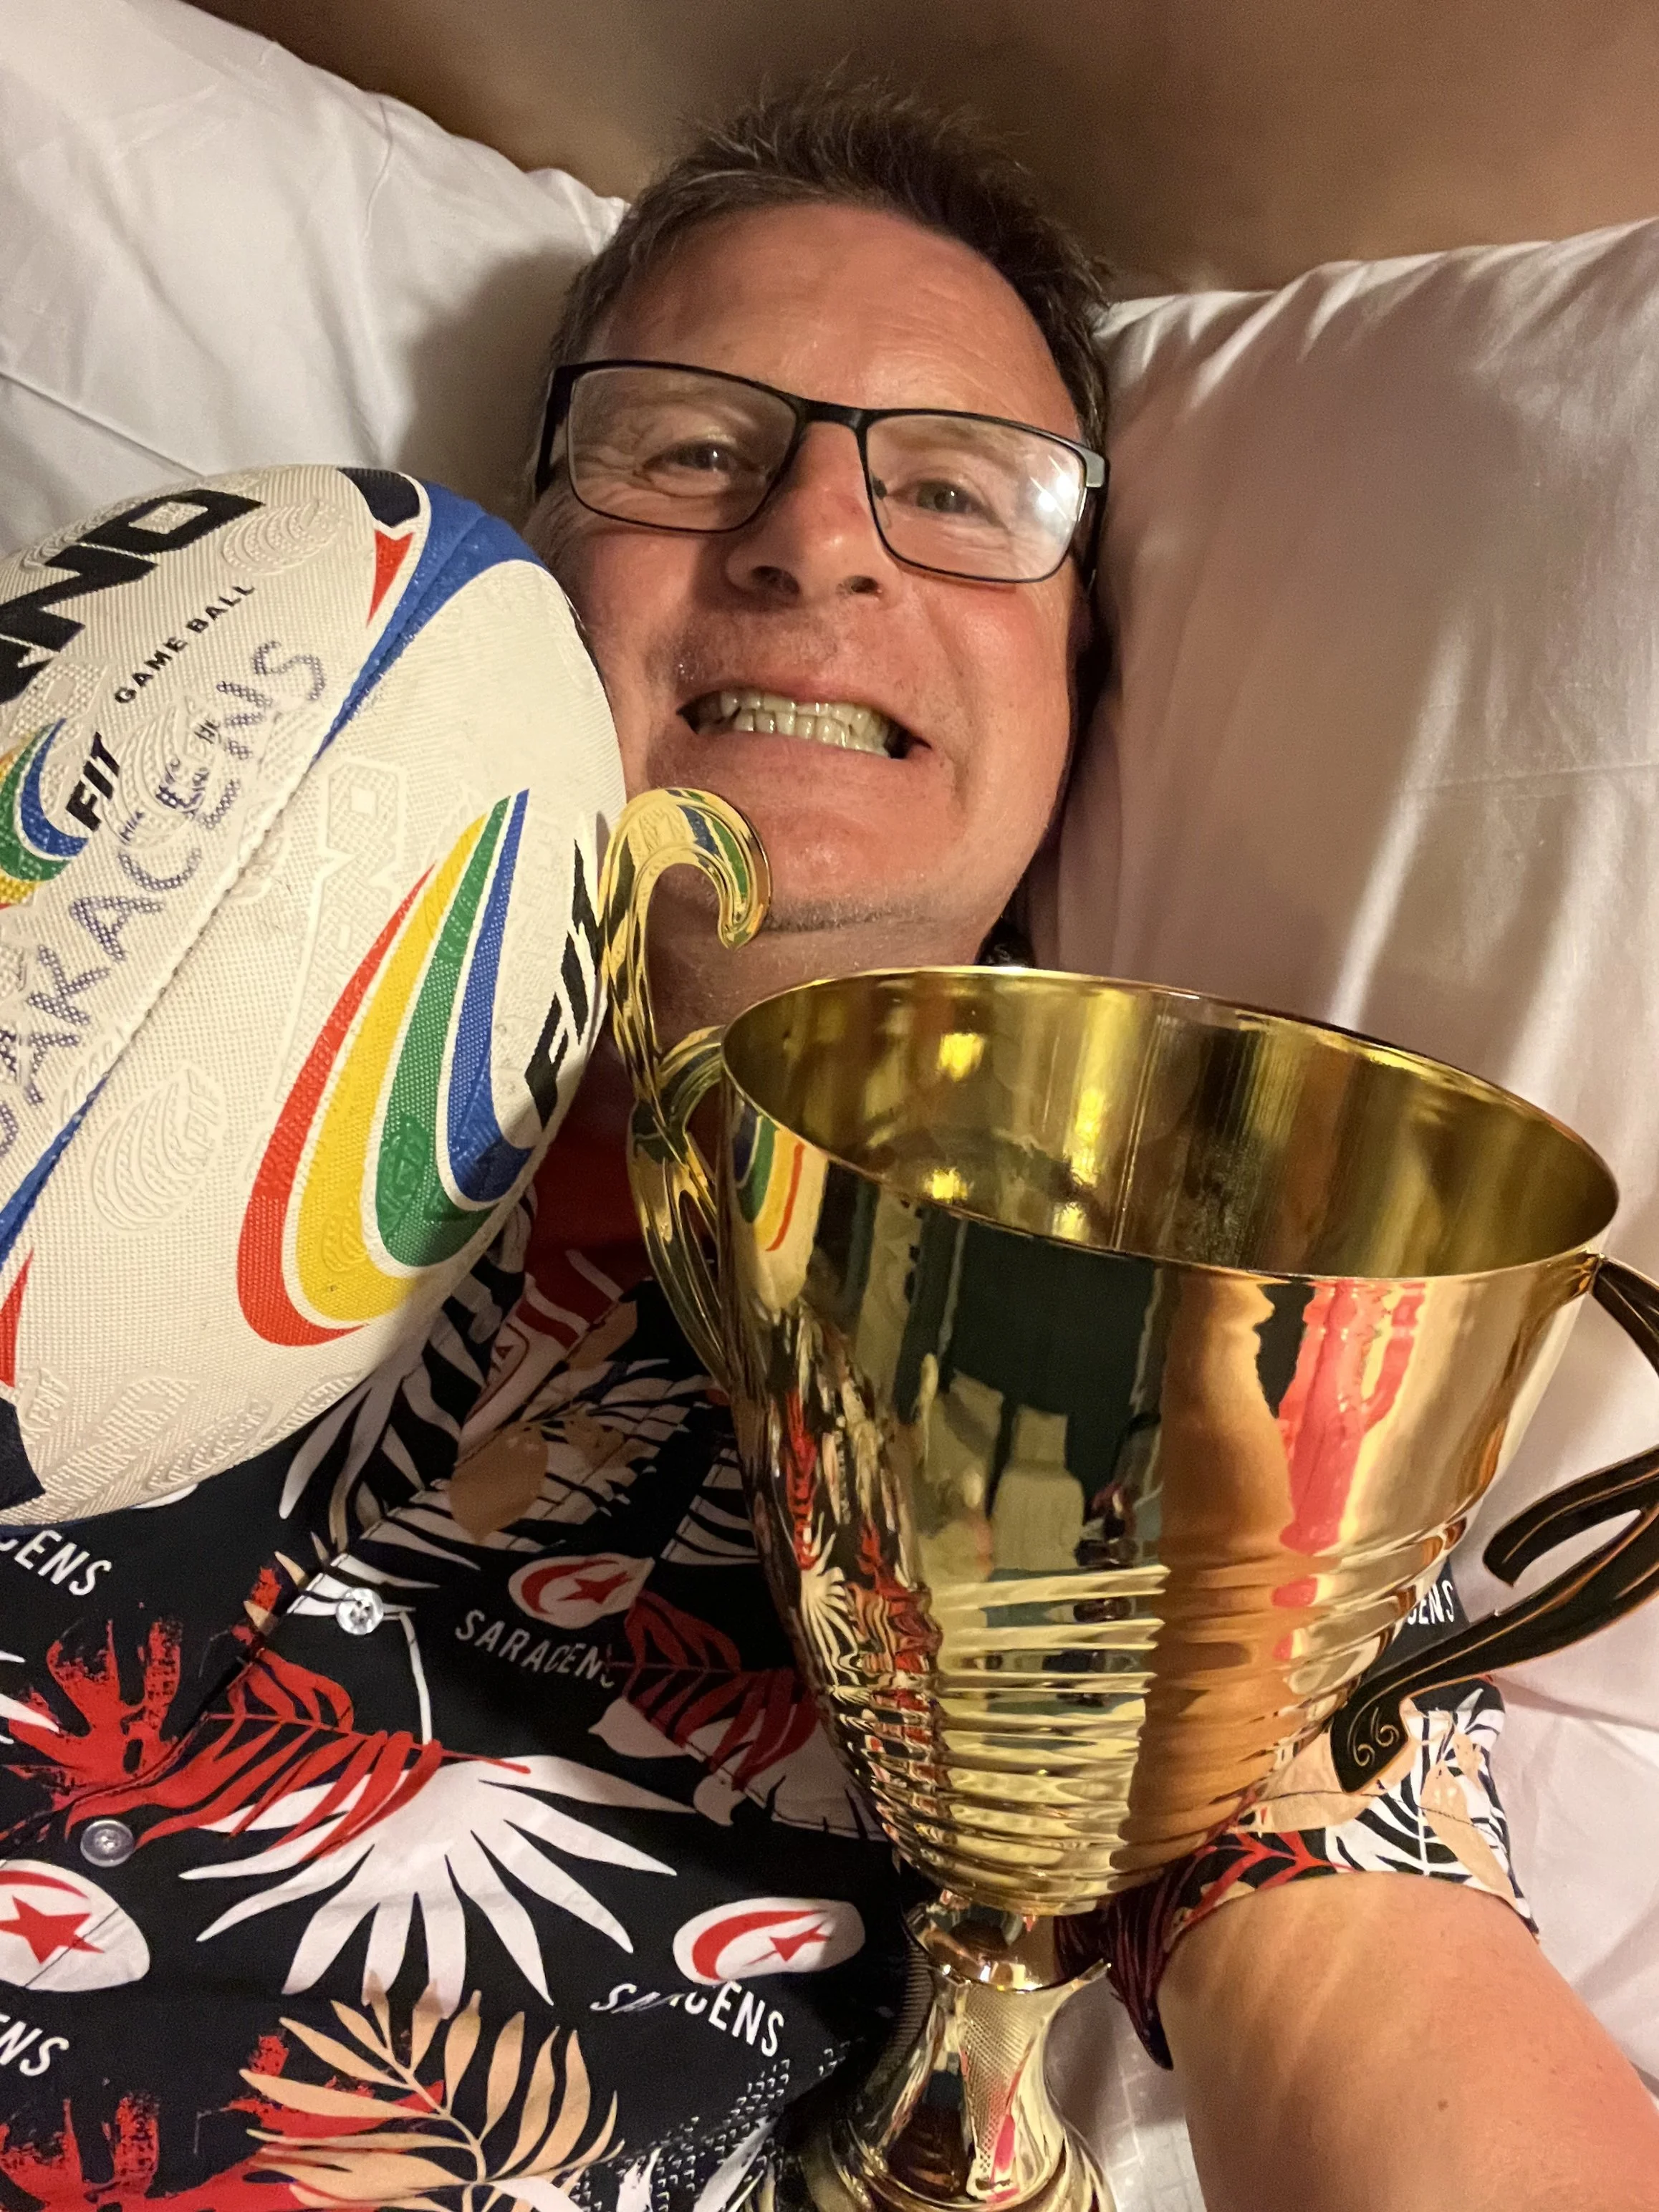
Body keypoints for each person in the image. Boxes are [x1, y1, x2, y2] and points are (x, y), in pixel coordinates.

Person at [0, 86, 1654, 2212]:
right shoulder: (120, 968)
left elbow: (1384, 1999)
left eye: (959, 490)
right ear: (528, 553)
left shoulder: (1160, 1349)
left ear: (1078, 685)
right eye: (689, 449)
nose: (812, 535)